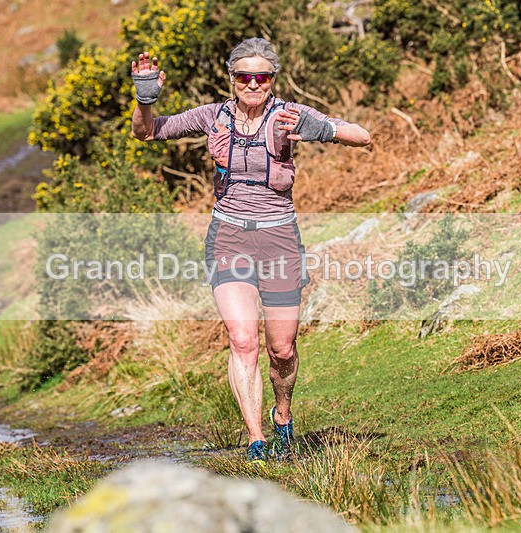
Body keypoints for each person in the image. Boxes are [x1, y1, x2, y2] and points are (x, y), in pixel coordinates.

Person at [130, 38, 371, 463]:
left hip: (279, 238)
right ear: (233, 79)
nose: (253, 84)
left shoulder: (289, 114)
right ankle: (256, 440)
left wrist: (322, 130)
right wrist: (145, 99)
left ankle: (283, 417)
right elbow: (147, 131)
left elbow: (363, 137)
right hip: (229, 235)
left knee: (282, 350)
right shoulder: (213, 116)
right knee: (243, 340)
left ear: (273, 79)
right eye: (245, 76)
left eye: (262, 76)